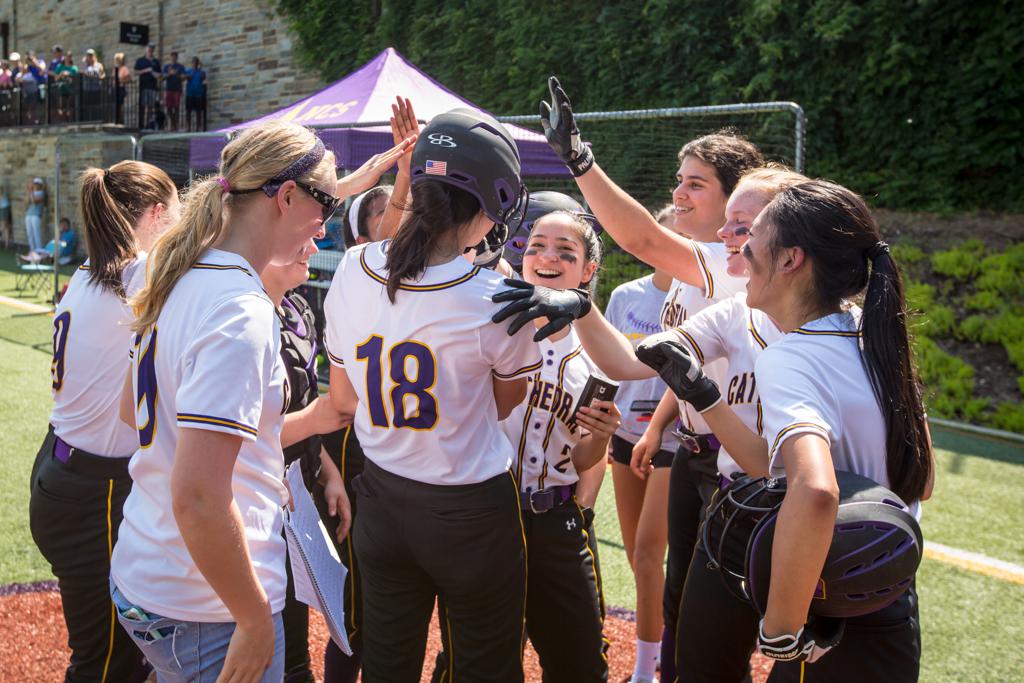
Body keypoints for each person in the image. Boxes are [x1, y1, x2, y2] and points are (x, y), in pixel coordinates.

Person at [498, 76, 764, 682]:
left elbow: (640, 236)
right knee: (688, 610)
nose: (679, 192)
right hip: (701, 455)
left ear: (742, 205)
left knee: (724, 626)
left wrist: (580, 160)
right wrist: (586, 309)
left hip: (742, 461)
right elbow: (634, 365)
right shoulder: (713, 273)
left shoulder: (736, 272)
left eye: (695, 183)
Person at [109, 121, 395, 682]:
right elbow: (197, 497)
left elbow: (130, 409)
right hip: (203, 599)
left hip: (155, 567)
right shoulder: (239, 308)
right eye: (325, 206)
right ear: (287, 196)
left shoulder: (181, 271)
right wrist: (253, 619)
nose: (324, 225)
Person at [644, 179, 934, 682]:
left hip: (825, 595)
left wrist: (781, 626)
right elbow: (922, 480)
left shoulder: (790, 355)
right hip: (888, 592)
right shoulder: (873, 331)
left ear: (790, 259)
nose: (741, 247)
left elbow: (816, 490)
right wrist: (706, 398)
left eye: (753, 235)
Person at [324, 108, 537, 682]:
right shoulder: (496, 296)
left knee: (389, 665)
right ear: (493, 202)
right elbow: (502, 402)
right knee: (485, 668)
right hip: (469, 508)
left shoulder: (352, 265)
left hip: (384, 502)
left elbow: (343, 398)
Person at [28, 160, 179, 683]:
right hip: (93, 495)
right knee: (110, 665)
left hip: (61, 470)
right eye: (175, 211)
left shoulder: (89, 272)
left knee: (120, 655)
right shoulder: (139, 274)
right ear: (157, 214)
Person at [501, 210, 620, 682]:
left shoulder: (601, 353)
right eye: (536, 246)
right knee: (478, 660)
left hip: (556, 520)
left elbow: (586, 457)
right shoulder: (492, 322)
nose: (548, 257)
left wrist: (600, 435)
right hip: (491, 515)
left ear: (587, 271)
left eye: (565, 252)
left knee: (581, 665)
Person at [260, 250, 351, 683]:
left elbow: (299, 403)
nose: (315, 245)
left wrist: (326, 470)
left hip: (297, 487)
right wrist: (315, 420)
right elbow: (230, 440)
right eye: (301, 237)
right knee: (264, 636)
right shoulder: (242, 316)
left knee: (296, 636)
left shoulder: (296, 307)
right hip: (254, 497)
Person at [600, 205, 680, 683]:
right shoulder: (627, 295)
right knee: (638, 559)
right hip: (625, 436)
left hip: (673, 441)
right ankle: (673, 640)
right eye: (661, 234)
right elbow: (608, 364)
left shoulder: (705, 298)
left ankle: (648, 672)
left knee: (650, 555)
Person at [134, 44, 160, 128]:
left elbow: (159, 74)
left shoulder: (156, 61)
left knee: (150, 107)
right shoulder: (140, 60)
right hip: (143, 86)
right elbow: (135, 72)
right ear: (146, 49)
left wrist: (153, 73)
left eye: (152, 49)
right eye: (149, 48)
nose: (150, 50)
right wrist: (146, 70)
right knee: (143, 106)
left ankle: (148, 125)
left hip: (152, 87)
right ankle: (141, 124)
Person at [162, 52, 184, 131]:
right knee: (169, 107)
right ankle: (173, 123)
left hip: (177, 89)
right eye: (172, 57)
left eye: (175, 57)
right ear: (170, 57)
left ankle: (176, 125)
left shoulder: (180, 67)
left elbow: (183, 78)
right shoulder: (166, 66)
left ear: (176, 58)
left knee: (176, 107)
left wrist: (177, 74)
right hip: (169, 89)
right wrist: (170, 74)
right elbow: (162, 78)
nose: (173, 58)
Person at [80, 49, 105, 121]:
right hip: (87, 89)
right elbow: (81, 72)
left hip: (97, 88)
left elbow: (103, 74)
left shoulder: (99, 65)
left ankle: (97, 119)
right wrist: (84, 62)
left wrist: (100, 77)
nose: (90, 57)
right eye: (88, 56)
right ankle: (87, 120)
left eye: (91, 56)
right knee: (87, 106)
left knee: (97, 105)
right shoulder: (85, 65)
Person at [54, 51, 78, 122]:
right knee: (61, 107)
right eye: (67, 56)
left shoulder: (74, 68)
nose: (68, 58)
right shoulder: (60, 67)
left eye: (69, 56)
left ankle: (70, 121)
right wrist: (61, 74)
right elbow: (56, 78)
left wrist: (69, 74)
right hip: (61, 89)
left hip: (71, 89)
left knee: (70, 106)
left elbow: (76, 78)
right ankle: (63, 121)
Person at [184, 56, 206, 132]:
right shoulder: (188, 71)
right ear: (192, 63)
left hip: (199, 94)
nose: (195, 63)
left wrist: (200, 68)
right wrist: (192, 72)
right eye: (193, 62)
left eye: (196, 62)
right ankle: (188, 127)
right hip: (190, 94)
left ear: (198, 63)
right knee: (188, 112)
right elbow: (187, 77)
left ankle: (198, 128)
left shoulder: (201, 72)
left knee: (198, 112)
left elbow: (203, 78)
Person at [25, 177, 46, 252]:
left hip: (36, 215)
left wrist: (31, 192)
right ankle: (32, 250)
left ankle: (39, 251)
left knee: (36, 234)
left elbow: (34, 201)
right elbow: (27, 202)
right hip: (29, 215)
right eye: (35, 184)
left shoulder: (42, 193)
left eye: (37, 184)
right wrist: (29, 193)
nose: (35, 185)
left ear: (40, 185)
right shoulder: (32, 193)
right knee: (30, 234)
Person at [113, 53, 131, 125]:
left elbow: (129, 79)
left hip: (121, 88)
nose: (117, 61)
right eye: (116, 59)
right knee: (116, 105)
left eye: (119, 59)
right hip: (115, 89)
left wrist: (120, 81)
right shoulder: (115, 69)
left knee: (120, 105)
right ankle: (116, 120)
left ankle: (120, 121)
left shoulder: (124, 69)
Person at [0, 179, 11, 249]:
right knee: (4, 226)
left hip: (5, 208)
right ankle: (7, 244)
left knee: (5, 226)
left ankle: (7, 244)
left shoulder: (3, 196)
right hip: (3, 209)